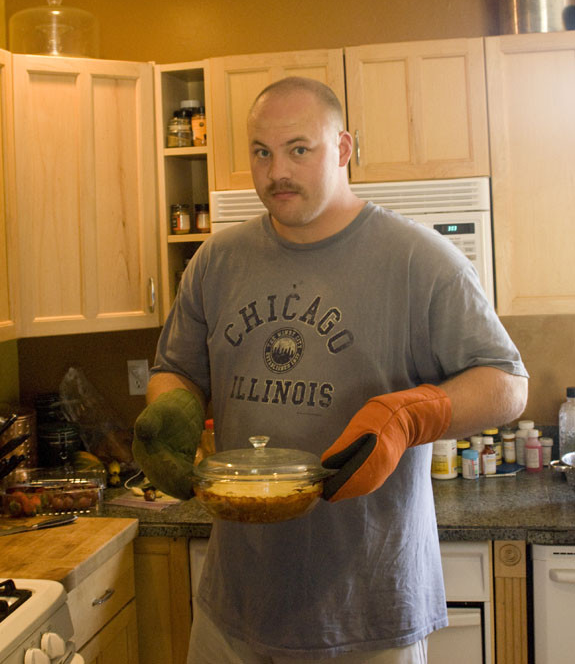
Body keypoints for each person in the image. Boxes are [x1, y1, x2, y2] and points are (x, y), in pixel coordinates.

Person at [133, 76, 528, 664]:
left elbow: (506, 383)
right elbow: (176, 368)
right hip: (235, 607)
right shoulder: (216, 260)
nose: (276, 173)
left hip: (369, 612)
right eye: (261, 152)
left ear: (342, 149)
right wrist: (172, 408)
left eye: (299, 148)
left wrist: (407, 417)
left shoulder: (420, 260)